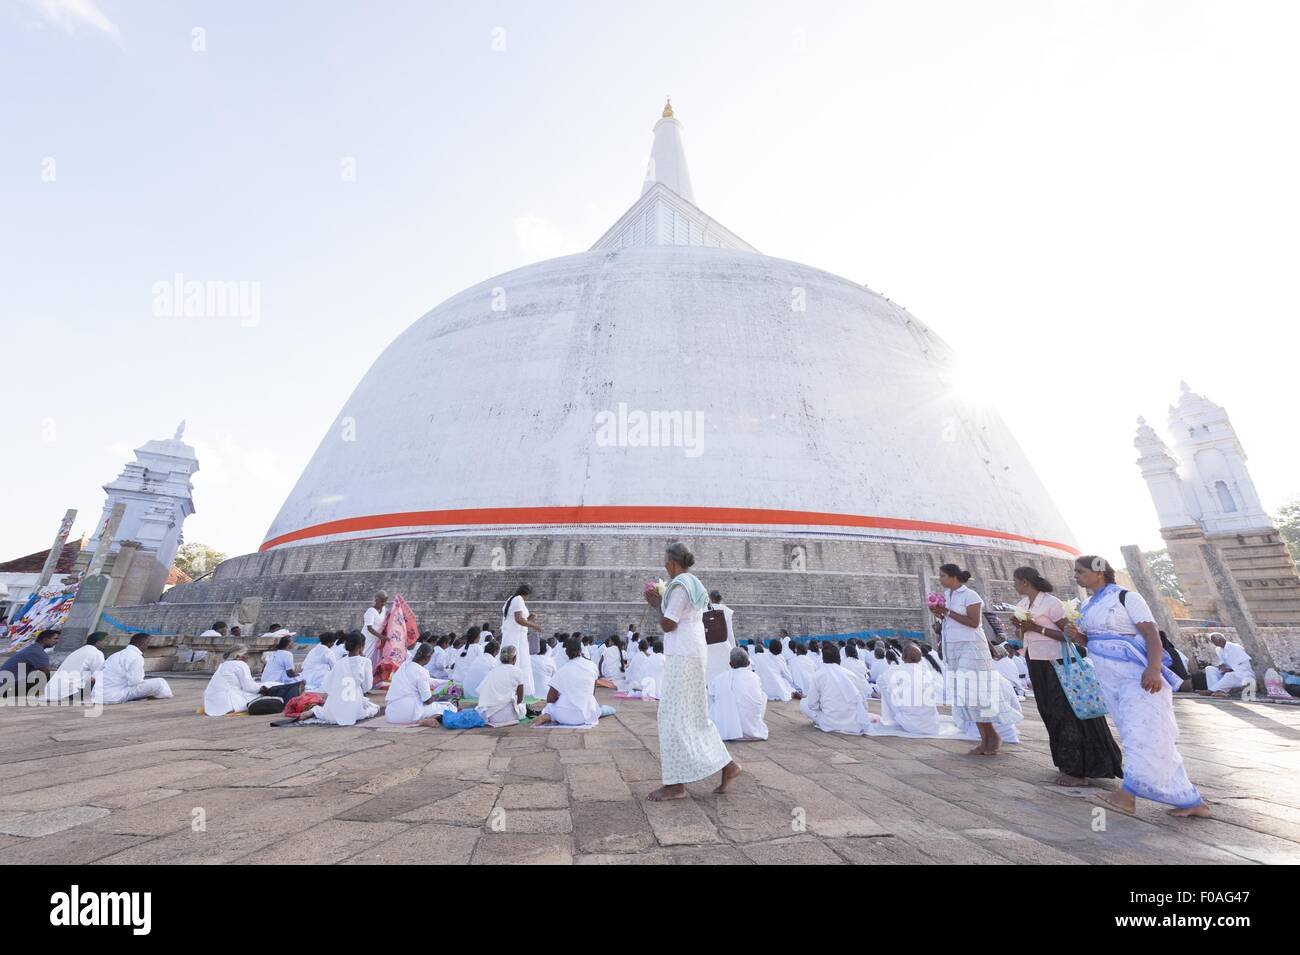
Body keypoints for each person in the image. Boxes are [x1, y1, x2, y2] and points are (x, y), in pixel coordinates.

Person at [1068, 555, 1209, 818]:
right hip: (1109, 678)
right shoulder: (1088, 604)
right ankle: (1189, 799)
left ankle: (1127, 796)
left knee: (1141, 732)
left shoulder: (1127, 598)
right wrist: (1079, 637)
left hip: (1137, 676)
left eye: (1080, 571)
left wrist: (1153, 668)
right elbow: (1097, 640)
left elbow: (1151, 634)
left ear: (1098, 573)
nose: (1076, 575)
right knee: (1143, 734)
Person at [642, 541, 741, 800]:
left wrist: (655, 603)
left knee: (671, 717)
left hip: (683, 656)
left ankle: (676, 785)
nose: (665, 566)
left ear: (673, 562)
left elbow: (668, 624)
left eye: (666, 562)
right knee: (692, 716)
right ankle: (727, 765)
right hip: (693, 654)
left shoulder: (680, 587)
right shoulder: (694, 583)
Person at [1009, 565, 1121, 786]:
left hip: (1057, 662)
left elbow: (1068, 635)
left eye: (1015, 581)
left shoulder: (1051, 603)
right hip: (1036, 660)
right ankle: (1065, 762)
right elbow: (1024, 634)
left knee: (1066, 714)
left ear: (1025, 582)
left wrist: (1036, 627)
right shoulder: (1023, 604)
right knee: (1049, 712)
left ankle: (1078, 769)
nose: (1014, 585)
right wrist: (1021, 626)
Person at [930, 563, 1001, 756]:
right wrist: (940, 614)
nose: (940, 579)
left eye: (943, 576)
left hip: (972, 647)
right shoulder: (947, 595)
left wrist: (947, 612)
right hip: (954, 647)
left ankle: (991, 737)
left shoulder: (970, 595)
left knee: (976, 691)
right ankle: (984, 738)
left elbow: (973, 622)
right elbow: (949, 620)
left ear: (954, 577)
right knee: (966, 693)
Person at [302, 632, 379, 725]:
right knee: (373, 708)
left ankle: (316, 711)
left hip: (334, 707)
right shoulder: (365, 662)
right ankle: (319, 711)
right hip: (353, 708)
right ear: (361, 646)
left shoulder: (339, 663)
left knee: (330, 708)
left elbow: (327, 685)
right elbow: (367, 687)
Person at [799, 643, 871, 735]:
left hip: (830, 722)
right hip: (854, 723)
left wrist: (824, 706)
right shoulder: (851, 674)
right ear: (839, 658)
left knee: (803, 703)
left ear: (823, 659)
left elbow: (812, 704)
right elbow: (863, 702)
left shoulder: (818, 675)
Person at [535, 637, 608, 726]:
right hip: (586, 716)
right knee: (592, 703)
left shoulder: (562, 670)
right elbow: (592, 693)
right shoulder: (592, 666)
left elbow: (550, 699)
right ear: (581, 650)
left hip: (563, 716)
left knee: (549, 707)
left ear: (566, 652)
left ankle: (548, 716)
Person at [876, 643, 942, 736]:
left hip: (911, 723)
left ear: (903, 657)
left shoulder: (895, 670)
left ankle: (890, 720)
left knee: (884, 686)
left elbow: (879, 681)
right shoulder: (926, 673)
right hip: (933, 724)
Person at [93, 634, 174, 704]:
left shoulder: (115, 655)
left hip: (96, 696)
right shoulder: (136, 657)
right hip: (113, 697)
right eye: (147, 643)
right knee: (160, 682)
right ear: (142, 644)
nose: (148, 646)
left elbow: (95, 675)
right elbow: (135, 682)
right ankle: (164, 699)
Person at [707, 648, 768, 741]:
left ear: (730, 664)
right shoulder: (755, 677)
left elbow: (710, 690)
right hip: (753, 731)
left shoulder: (721, 678)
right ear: (748, 663)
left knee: (711, 696)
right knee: (763, 695)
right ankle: (751, 725)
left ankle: (724, 725)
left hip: (728, 729)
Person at [385, 644, 454, 724]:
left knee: (439, 704)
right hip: (409, 715)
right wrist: (439, 697)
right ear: (428, 658)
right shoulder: (420, 671)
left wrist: (448, 682)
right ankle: (423, 721)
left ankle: (425, 719)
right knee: (449, 707)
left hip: (391, 715)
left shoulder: (405, 665)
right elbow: (427, 701)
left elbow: (428, 681)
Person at [203, 645, 274, 716]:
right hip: (227, 704)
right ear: (238, 656)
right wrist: (262, 689)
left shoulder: (223, 664)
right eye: (246, 654)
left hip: (211, 703)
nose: (248, 656)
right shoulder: (240, 664)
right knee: (266, 690)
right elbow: (249, 687)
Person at [501, 584, 543, 697]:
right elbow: (519, 620)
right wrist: (535, 626)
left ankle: (515, 691)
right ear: (526, 594)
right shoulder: (518, 599)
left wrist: (530, 619)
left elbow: (520, 621)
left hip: (515, 635)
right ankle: (515, 691)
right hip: (516, 638)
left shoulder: (511, 599)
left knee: (517, 662)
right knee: (516, 662)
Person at [44, 631, 107, 702]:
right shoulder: (96, 653)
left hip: (51, 691)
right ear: (98, 642)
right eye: (106, 641)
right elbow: (100, 676)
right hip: (69, 692)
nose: (107, 643)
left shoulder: (77, 651)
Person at [475, 645, 526, 727]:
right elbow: (520, 699)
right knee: (523, 708)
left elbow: (482, 692)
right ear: (514, 658)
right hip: (508, 716)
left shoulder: (493, 671)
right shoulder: (518, 671)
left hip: (489, 716)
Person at [1, 629, 59, 696]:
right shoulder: (38, 652)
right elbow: (47, 671)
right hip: (7, 688)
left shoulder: (32, 648)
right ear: (45, 639)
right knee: (51, 675)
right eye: (55, 639)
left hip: (5, 685)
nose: (57, 641)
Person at [704, 589, 737, 683]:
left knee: (710, 671)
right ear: (720, 599)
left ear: (710, 598)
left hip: (709, 644)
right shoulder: (726, 610)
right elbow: (730, 632)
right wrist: (733, 647)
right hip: (723, 643)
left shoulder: (704, 610)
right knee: (724, 671)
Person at [362, 591, 389, 671]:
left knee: (373, 661)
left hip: (376, 641)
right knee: (364, 658)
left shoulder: (384, 610)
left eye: (385, 601)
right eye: (382, 601)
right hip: (367, 639)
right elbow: (369, 628)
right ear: (376, 600)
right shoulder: (370, 611)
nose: (383, 603)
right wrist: (381, 637)